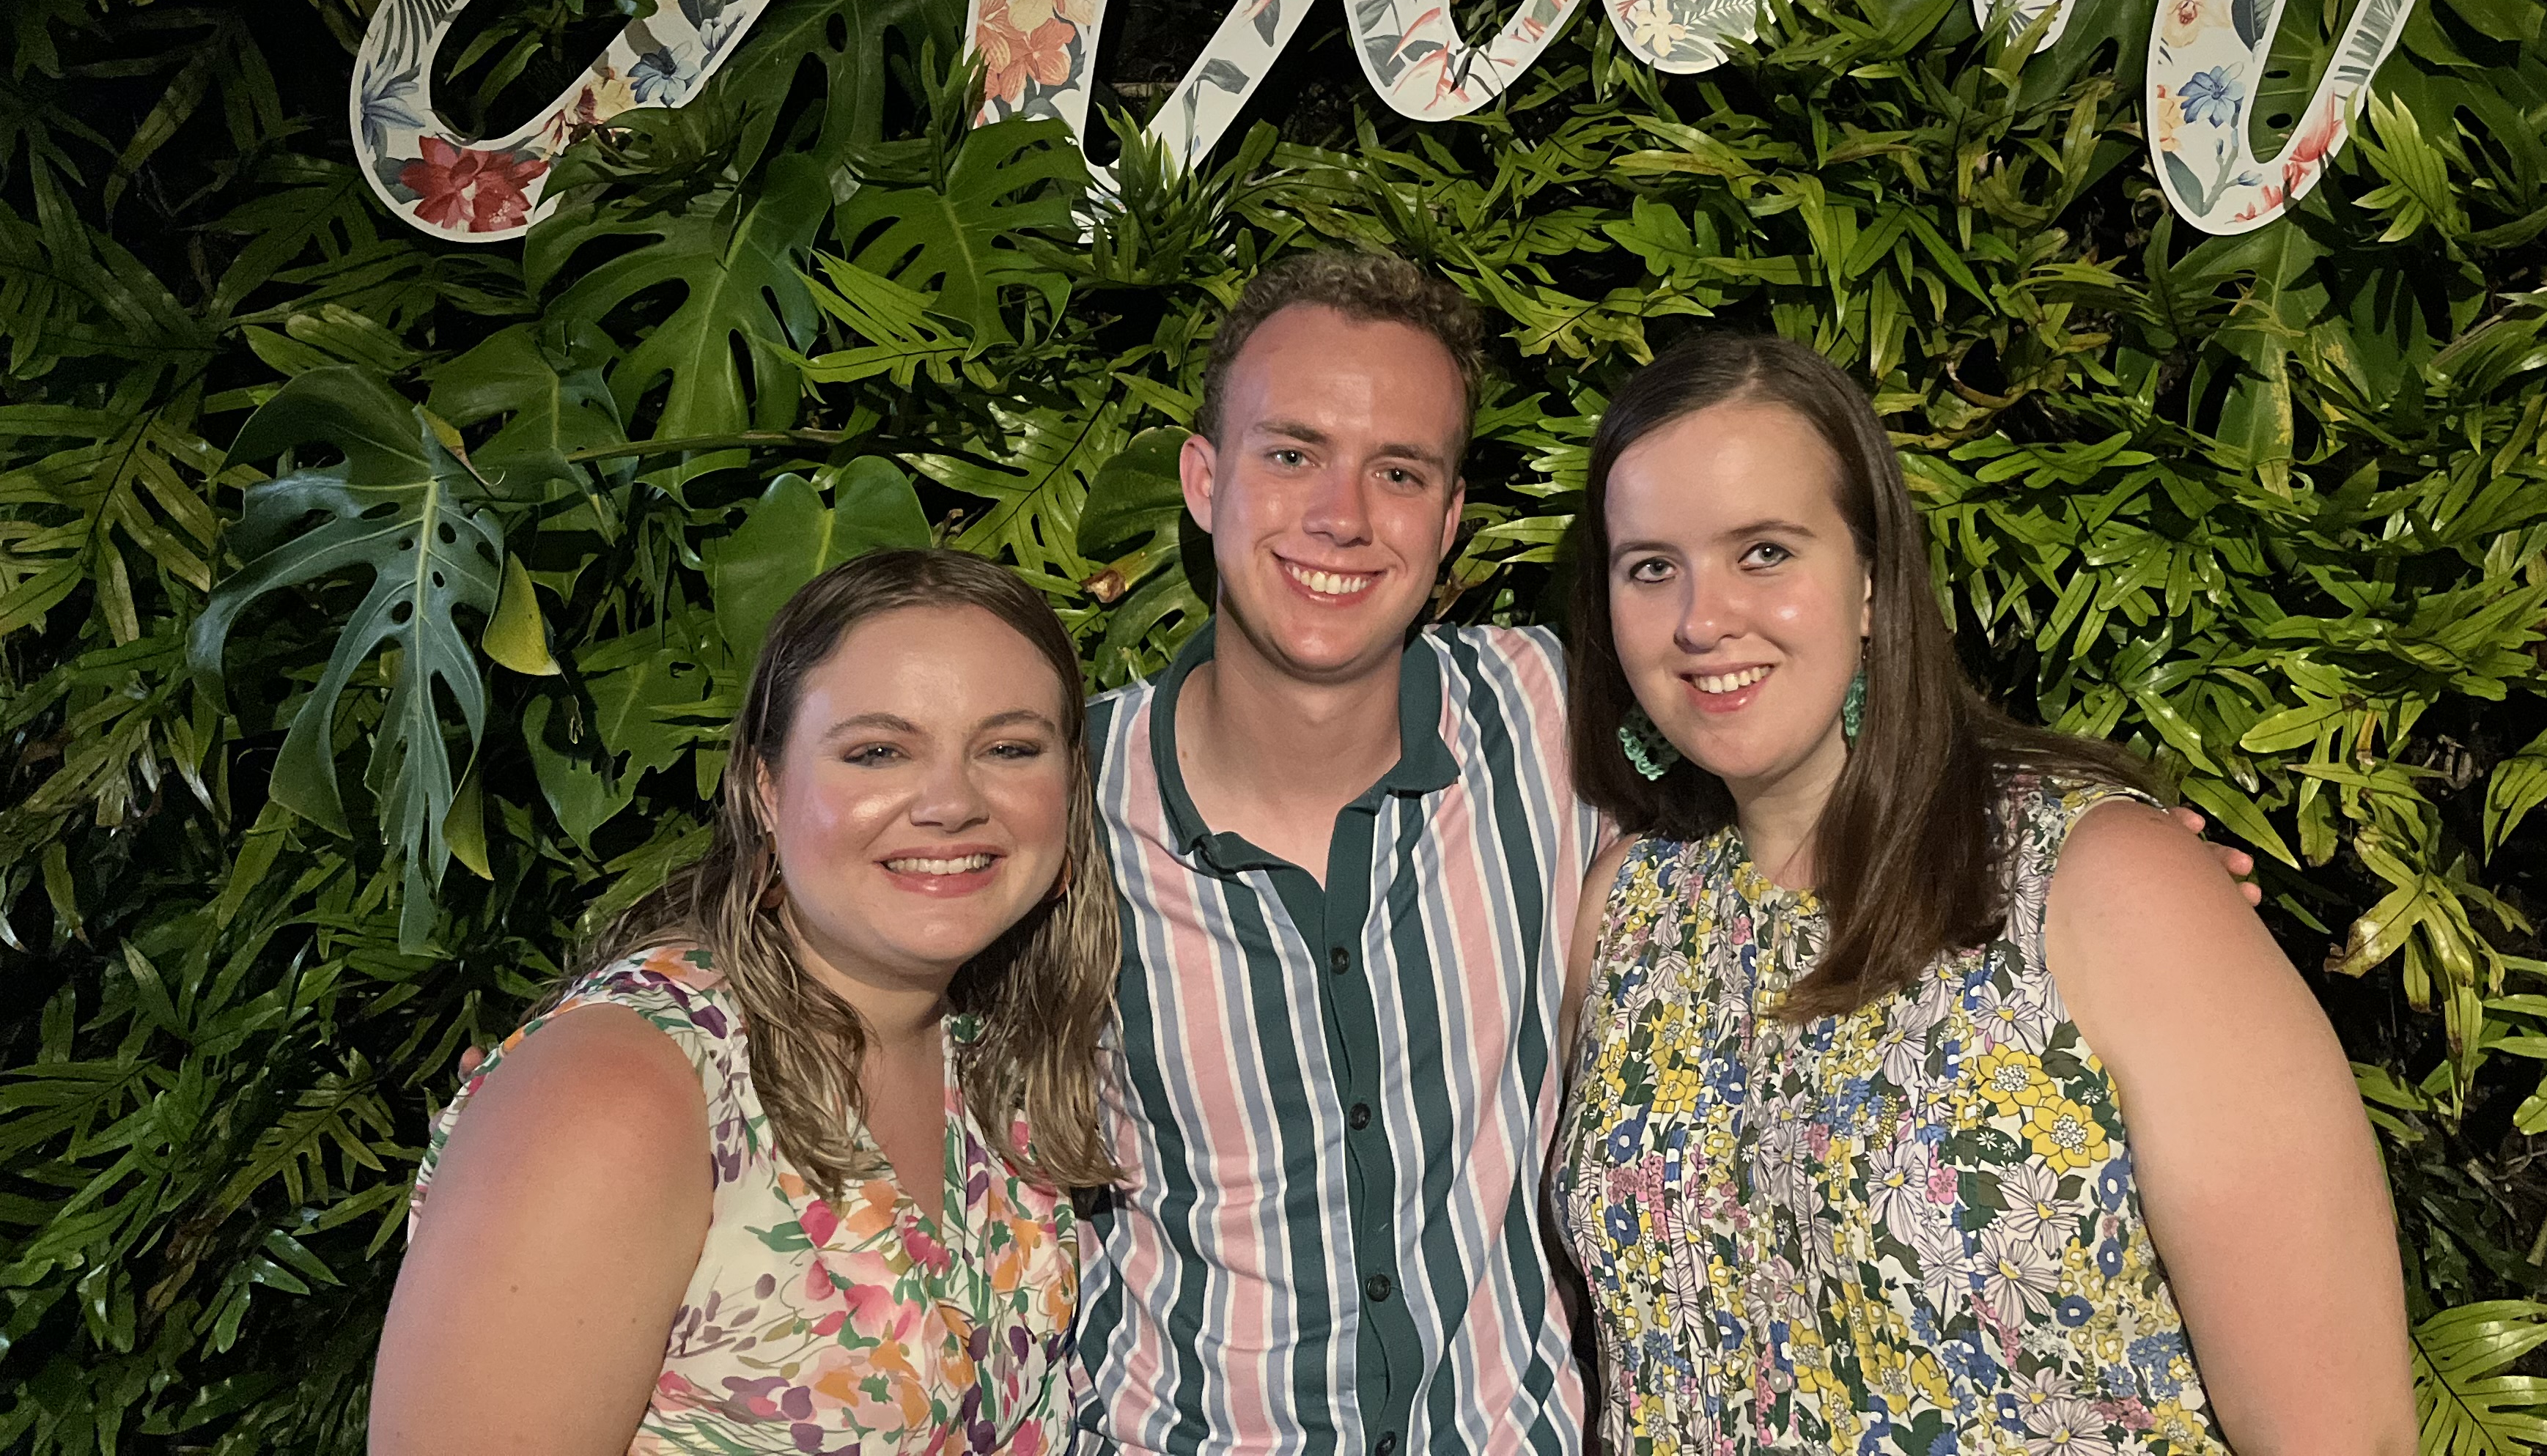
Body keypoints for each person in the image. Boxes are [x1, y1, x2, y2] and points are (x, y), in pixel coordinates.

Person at [1076, 252, 2264, 1455]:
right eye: (1291, 452)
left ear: (1447, 521)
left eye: (1398, 470)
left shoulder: (1538, 723)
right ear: (1201, 475)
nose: (1341, 512)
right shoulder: (1056, 808)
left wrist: (2138, 890)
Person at [1550, 333, 2415, 1455]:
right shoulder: (1625, 912)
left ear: (1869, 580)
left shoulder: (2101, 881)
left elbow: (2340, 1435)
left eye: (1764, 551)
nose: (1702, 619)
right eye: (1651, 566)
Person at [372, 548, 1121, 1456]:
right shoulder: (627, 1091)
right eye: (878, 751)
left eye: (1009, 749)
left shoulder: (1002, 1062)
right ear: (766, 787)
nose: (951, 803)